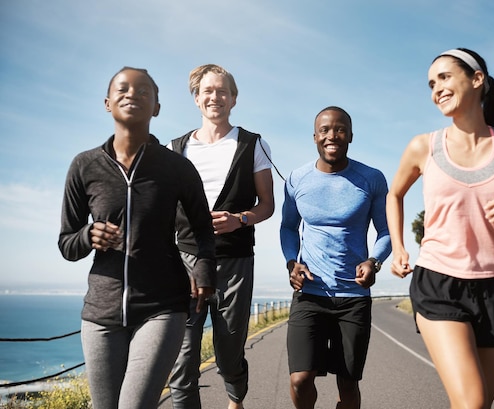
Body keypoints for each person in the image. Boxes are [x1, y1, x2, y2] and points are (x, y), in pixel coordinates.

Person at [386, 48, 494, 409]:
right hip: (438, 282)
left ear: (477, 79)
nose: (436, 88)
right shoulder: (424, 146)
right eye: (431, 84)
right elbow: (394, 194)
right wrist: (399, 246)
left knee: (480, 403)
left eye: (445, 77)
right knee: (470, 402)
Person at [58, 67, 217, 409]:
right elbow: (67, 244)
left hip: (162, 307)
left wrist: (204, 274)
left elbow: (203, 229)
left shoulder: (177, 168)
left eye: (144, 91)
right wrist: (88, 234)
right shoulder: (84, 166)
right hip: (101, 312)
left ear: (157, 107)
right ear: (107, 103)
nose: (132, 94)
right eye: (123, 89)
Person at [167, 64, 275, 409]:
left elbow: (267, 205)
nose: (215, 97)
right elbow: (164, 209)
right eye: (208, 91)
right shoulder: (175, 147)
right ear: (197, 98)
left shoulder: (253, 144)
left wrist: (240, 219)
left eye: (222, 90)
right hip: (185, 261)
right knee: (182, 358)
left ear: (234, 98)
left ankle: (235, 398)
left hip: (235, 260)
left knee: (228, 353)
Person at [280, 106, 392, 409]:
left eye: (340, 129)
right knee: (300, 379)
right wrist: (292, 262)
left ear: (351, 136)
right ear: (315, 136)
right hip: (310, 295)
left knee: (348, 383)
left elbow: (386, 232)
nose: (332, 135)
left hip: (353, 297)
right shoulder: (296, 179)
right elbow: (288, 228)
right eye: (325, 130)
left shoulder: (371, 179)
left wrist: (374, 262)